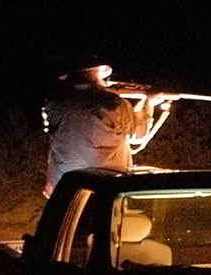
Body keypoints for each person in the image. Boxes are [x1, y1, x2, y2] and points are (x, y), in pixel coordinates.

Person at [41, 61, 163, 197]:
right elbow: (139, 134)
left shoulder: (54, 103)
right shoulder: (112, 103)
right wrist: (149, 104)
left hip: (63, 189)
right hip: (104, 188)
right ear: (95, 75)